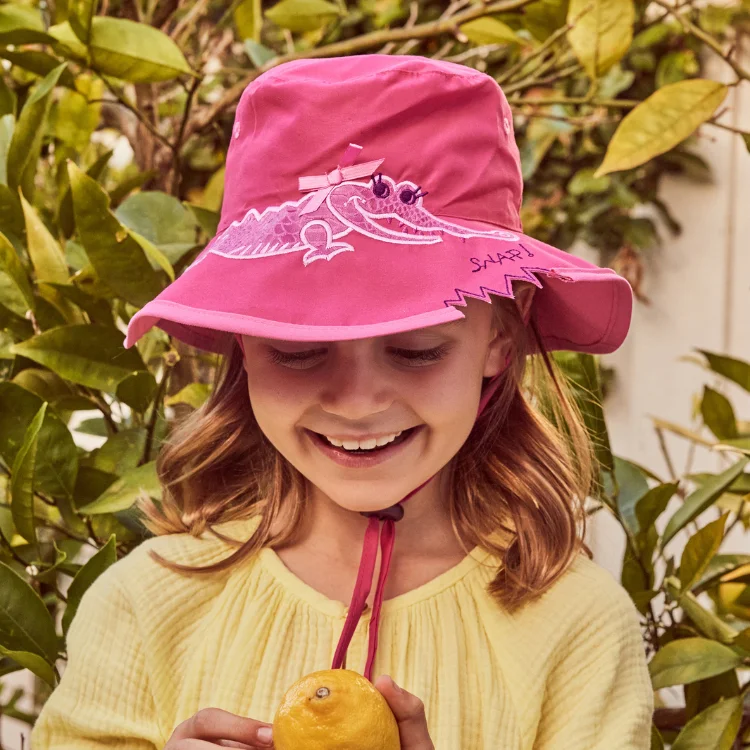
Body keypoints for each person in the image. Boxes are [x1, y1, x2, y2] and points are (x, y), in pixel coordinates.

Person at [30, 54, 653, 750]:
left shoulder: (576, 631)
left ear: (500, 337)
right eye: (299, 349)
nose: (357, 403)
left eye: (417, 350)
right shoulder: (146, 607)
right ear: (242, 343)